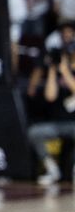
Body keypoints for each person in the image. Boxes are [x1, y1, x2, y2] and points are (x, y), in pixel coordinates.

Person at [26, 50, 75, 185]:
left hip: (73, 123)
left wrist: (65, 71)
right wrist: (53, 70)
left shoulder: (71, 73)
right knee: (34, 132)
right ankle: (51, 168)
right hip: (56, 124)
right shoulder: (53, 75)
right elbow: (50, 96)